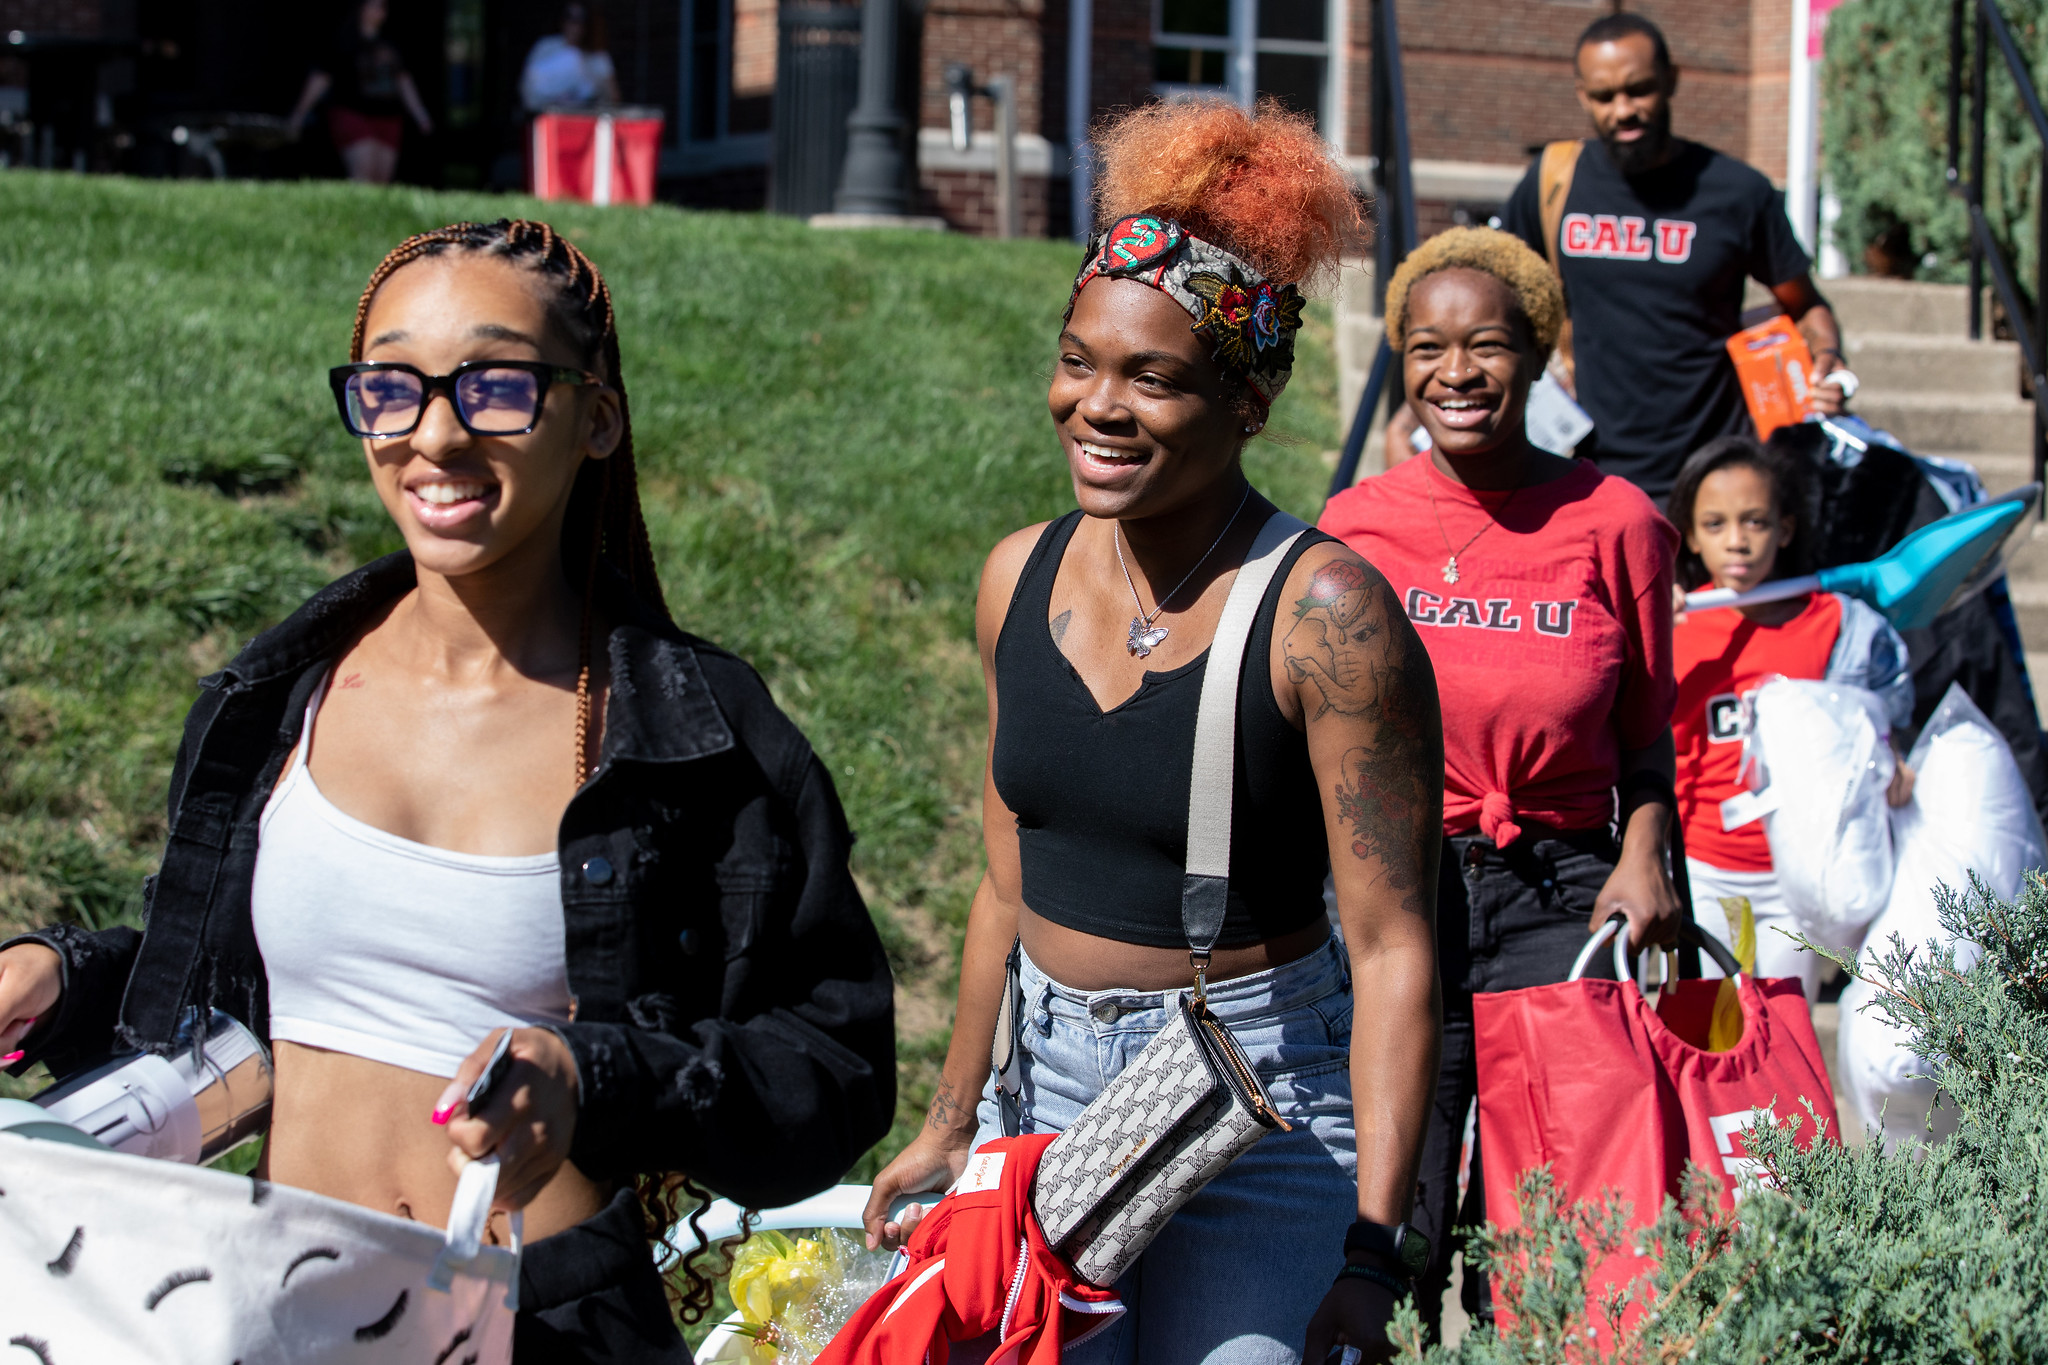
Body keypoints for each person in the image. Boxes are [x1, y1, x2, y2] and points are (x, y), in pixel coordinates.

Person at [0, 219, 895, 1362]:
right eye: (392, 386)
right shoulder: (278, 698)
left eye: (497, 385)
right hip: (262, 1315)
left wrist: (595, 1077)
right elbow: (266, 1006)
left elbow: (835, 1067)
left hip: (543, 1326)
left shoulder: (696, 738)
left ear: (596, 417)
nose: (434, 431)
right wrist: (61, 978)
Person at [862, 99, 1444, 1364]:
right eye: (1079, 361)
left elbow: (1396, 948)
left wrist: (1372, 1245)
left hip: (1262, 1104)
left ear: (1248, 396)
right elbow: (1002, 888)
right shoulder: (1015, 577)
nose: (1097, 407)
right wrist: (950, 1124)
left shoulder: (1325, 616)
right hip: (1044, 1098)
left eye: (1154, 376)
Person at [1319, 226, 1682, 1339]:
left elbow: (1645, 734)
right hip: (1397, 898)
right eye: (1425, 348)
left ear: (1537, 357)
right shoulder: (1353, 527)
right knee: (1395, 1207)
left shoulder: (1615, 524)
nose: (1455, 372)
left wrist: (1645, 854)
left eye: (1486, 345)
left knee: (1559, 1212)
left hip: (1561, 894)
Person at [1386, 13, 1848, 503]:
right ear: (1583, 95)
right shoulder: (1554, 182)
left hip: (1709, 479)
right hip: (1583, 473)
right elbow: (1479, 294)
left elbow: (1805, 305)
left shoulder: (1738, 192)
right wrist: (1410, 418)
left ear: (1671, 81)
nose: (1622, 110)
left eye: (1639, 90)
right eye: (1604, 97)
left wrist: (1828, 362)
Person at [1669, 435, 1915, 999]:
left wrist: (1891, 757)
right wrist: (1649, 633)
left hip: (1800, 877)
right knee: (1717, 1026)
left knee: (1784, 1026)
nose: (1737, 541)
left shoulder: (1838, 625)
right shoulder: (1675, 626)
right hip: (1705, 869)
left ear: (1785, 528)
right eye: (1715, 524)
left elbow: (1878, 720)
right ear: (1690, 535)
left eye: (1755, 522)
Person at [287, 0, 434, 185]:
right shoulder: (343, 41)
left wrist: (420, 114)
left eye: (383, 6)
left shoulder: (391, 45)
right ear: (360, 7)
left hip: (388, 117)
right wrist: (299, 114)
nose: (379, 10)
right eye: (374, 5)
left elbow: (404, 82)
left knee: (382, 183)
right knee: (363, 178)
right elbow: (320, 80)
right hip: (353, 115)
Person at [522, 3, 621, 113]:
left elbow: (614, 97)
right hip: (550, 117)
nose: (574, 25)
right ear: (562, 21)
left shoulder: (598, 56)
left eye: (580, 20)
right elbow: (527, 89)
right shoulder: (545, 47)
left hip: (584, 119)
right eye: (569, 18)